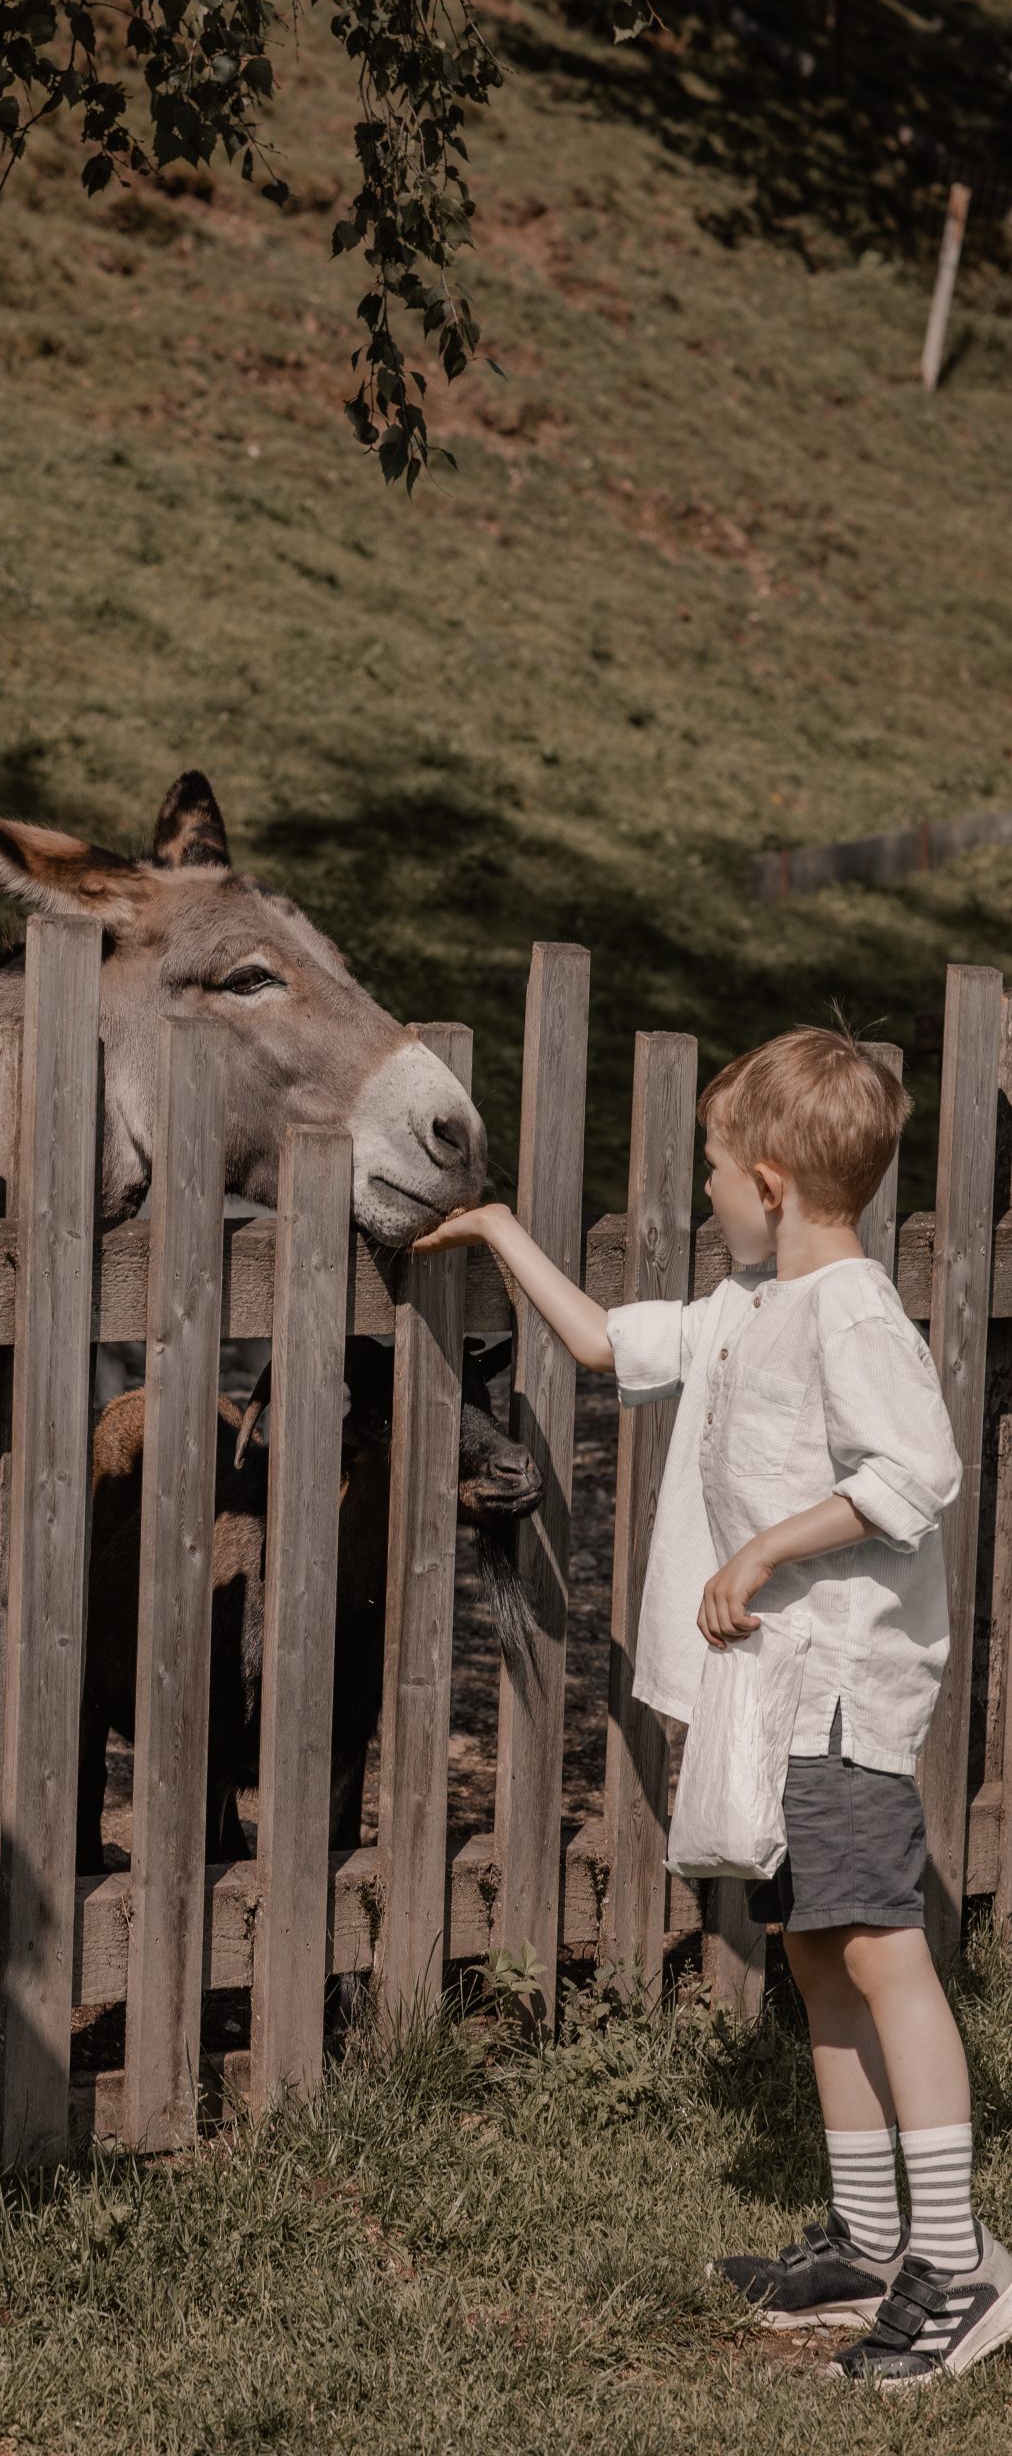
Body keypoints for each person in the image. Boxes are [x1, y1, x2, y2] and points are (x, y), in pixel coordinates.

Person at [413, 1022, 1012, 2389]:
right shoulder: (751, 1304)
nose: (705, 1205)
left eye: (715, 1182)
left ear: (772, 1183)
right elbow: (611, 1343)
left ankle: (963, 2263)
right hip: (772, 1702)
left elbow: (920, 1471)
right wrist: (501, 1230)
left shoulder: (853, 1310)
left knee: (881, 1951)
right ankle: (868, 2242)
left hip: (841, 1695)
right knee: (812, 1950)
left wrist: (761, 1549)